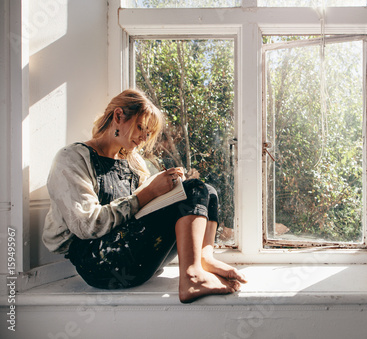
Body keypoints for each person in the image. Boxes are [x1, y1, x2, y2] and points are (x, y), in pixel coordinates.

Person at [42, 89, 246, 303]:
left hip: (134, 254)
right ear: (118, 116)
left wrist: (169, 188)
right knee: (194, 190)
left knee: (206, 191)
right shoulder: (71, 158)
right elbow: (86, 226)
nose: (144, 138)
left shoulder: (133, 162)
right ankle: (192, 277)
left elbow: (149, 210)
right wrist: (147, 193)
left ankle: (203, 259)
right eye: (141, 127)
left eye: (148, 132)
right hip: (99, 262)